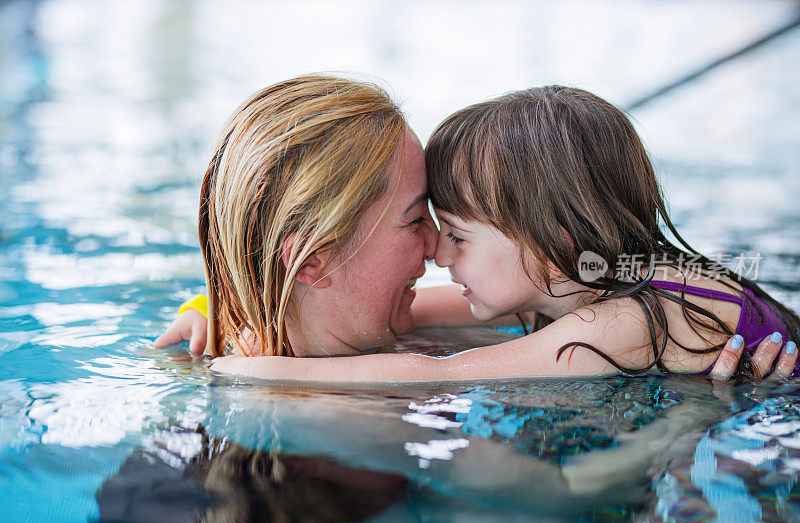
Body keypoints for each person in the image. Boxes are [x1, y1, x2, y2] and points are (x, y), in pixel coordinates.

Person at [155, 76, 795, 381]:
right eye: (422, 222)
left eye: (456, 235)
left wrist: (260, 375)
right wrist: (223, 302)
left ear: (552, 246)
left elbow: (448, 373)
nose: (438, 252)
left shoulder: (619, 323)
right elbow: (423, 319)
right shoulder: (571, 283)